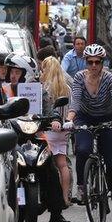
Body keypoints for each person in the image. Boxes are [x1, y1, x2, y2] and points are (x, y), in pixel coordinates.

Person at [5, 54, 71, 222]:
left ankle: (56, 214)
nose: (13, 75)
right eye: (11, 71)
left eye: (17, 72)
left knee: (50, 169)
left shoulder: (39, 91)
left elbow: (50, 108)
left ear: (25, 73)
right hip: (12, 138)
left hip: (36, 137)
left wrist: (55, 119)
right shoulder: (3, 90)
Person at [63, 44, 112, 203]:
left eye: (97, 62)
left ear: (103, 63)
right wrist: (69, 119)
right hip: (84, 117)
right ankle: (82, 186)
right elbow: (75, 100)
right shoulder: (79, 78)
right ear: (86, 62)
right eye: (90, 62)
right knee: (83, 150)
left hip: (108, 118)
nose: (94, 66)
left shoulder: (110, 78)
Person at [41, 57, 73, 207]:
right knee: (62, 164)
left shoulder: (45, 88)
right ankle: (65, 198)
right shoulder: (67, 88)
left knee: (48, 166)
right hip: (64, 130)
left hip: (50, 130)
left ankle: (50, 199)